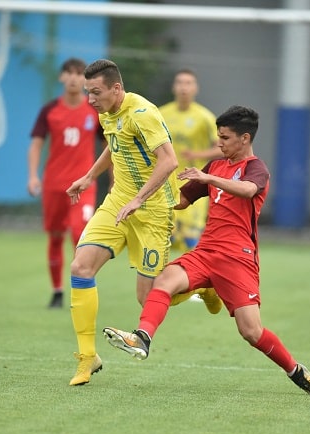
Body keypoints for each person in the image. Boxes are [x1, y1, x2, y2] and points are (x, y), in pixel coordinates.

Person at [102, 105, 310, 397]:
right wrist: (144, 201)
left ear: (245, 138)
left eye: (224, 138)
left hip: (237, 258)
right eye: (218, 137)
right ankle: (142, 338)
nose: (218, 143)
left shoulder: (255, 168)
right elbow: (182, 200)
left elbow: (249, 190)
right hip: (206, 250)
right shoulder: (216, 166)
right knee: (164, 282)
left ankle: (295, 370)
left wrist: (208, 178)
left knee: (251, 332)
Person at [64, 58, 181, 386]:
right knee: (80, 268)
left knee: (148, 298)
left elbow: (169, 161)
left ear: (117, 88)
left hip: (152, 211)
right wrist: (88, 177)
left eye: (96, 92)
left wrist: (139, 199)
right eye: (88, 92)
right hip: (118, 203)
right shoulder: (106, 111)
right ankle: (87, 357)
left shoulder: (142, 114)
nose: (90, 100)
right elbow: (114, 148)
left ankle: (201, 285)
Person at [27, 57, 104, 309]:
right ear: (61, 78)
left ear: (85, 80)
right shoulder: (50, 110)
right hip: (53, 185)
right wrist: (32, 176)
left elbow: (109, 146)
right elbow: (36, 144)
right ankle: (57, 291)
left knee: (80, 232)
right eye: (68, 73)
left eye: (79, 73)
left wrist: (115, 179)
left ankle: (79, 289)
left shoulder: (94, 110)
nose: (73, 78)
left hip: (84, 185)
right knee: (56, 236)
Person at [159, 68, 221, 253]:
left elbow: (221, 148)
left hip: (195, 185)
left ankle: (195, 280)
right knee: (164, 237)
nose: (183, 87)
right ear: (173, 87)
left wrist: (197, 155)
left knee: (190, 239)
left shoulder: (205, 117)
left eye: (188, 83)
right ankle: (163, 280)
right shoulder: (161, 114)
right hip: (165, 183)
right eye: (180, 83)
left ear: (196, 88)